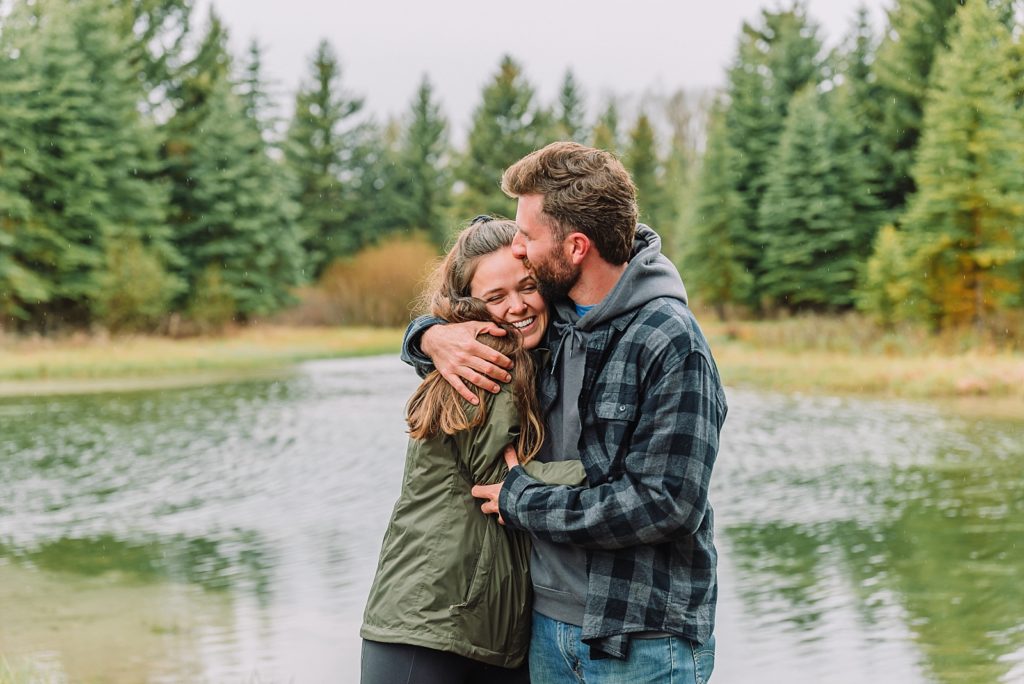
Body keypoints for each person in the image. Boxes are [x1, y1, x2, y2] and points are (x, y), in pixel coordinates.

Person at [402, 142, 727, 683]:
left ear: (576, 247)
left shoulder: (670, 340)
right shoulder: (550, 325)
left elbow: (666, 503)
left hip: (641, 640)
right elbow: (468, 327)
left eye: (527, 237)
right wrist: (428, 337)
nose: (519, 251)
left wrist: (524, 501)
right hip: (546, 632)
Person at [361, 216, 586, 684]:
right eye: (496, 297)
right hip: (429, 625)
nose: (518, 306)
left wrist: (423, 334)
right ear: (470, 308)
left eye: (528, 286)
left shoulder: (530, 355)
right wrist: (619, 476)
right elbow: (502, 487)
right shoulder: (484, 359)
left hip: (479, 627)